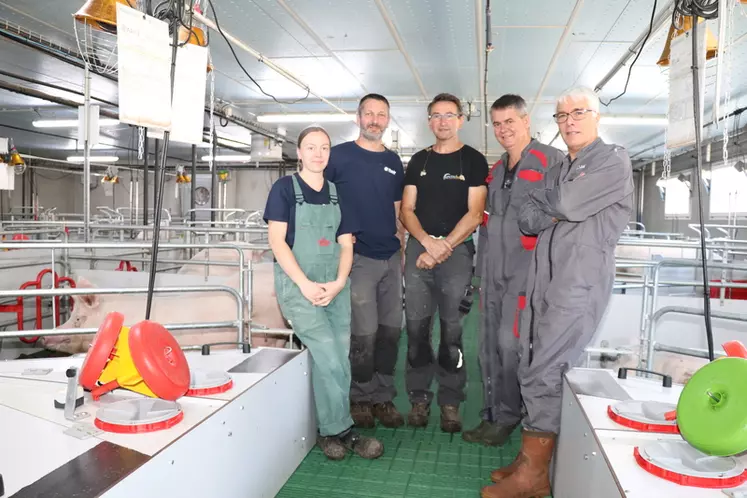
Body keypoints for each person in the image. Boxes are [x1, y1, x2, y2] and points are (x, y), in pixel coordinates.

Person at [481, 87, 633, 498]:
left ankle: (534, 476)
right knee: (531, 362)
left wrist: (554, 202)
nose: (569, 121)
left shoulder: (612, 159)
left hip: (577, 282)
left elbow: (564, 202)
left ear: (596, 116)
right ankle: (532, 459)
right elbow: (528, 218)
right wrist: (555, 203)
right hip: (543, 280)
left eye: (578, 112)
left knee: (545, 368)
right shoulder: (562, 166)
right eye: (562, 115)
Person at [264, 125, 383, 461]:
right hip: (298, 287)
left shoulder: (338, 193)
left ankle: (330, 425)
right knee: (329, 354)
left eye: (325, 148)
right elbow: (277, 241)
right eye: (311, 147)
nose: (318, 154)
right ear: (299, 153)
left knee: (338, 359)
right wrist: (304, 284)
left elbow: (346, 244)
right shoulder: (284, 190)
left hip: (334, 287)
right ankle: (338, 430)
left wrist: (340, 282)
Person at [462, 95, 564, 447]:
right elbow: (487, 224)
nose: (504, 129)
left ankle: (513, 415)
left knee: (512, 345)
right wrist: (479, 275)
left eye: (510, 121)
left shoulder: (552, 161)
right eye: (498, 123)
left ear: (526, 121)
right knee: (487, 346)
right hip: (493, 274)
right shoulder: (497, 169)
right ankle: (494, 413)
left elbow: (563, 220)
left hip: (527, 275)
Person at [400, 93, 489, 432]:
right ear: (428, 121)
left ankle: (450, 401)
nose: (443, 121)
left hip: (456, 254)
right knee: (417, 329)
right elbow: (407, 210)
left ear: (461, 120)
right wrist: (425, 242)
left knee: (452, 332)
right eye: (436, 115)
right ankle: (419, 398)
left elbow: (475, 212)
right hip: (420, 251)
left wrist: (443, 246)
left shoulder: (473, 161)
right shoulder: (418, 161)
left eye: (449, 115)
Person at [324, 94, 406, 429]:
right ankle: (359, 397)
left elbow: (397, 209)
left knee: (390, 331)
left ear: (388, 120)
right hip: (358, 258)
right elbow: (319, 196)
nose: (374, 119)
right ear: (358, 117)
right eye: (368, 113)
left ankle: (383, 397)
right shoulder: (338, 157)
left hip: (390, 256)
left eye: (381, 114)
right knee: (364, 333)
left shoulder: (394, 161)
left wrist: (401, 247)